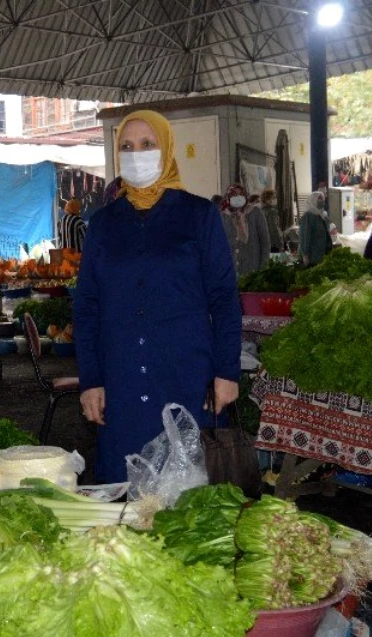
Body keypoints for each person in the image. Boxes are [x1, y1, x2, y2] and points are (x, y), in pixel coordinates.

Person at [74, 110, 241, 484]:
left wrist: (226, 371)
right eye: (127, 146)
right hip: (122, 383)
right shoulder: (103, 223)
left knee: (191, 496)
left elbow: (224, 300)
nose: (137, 154)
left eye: (148, 145)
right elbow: (86, 308)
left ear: (166, 149)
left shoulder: (200, 216)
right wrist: (90, 380)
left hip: (187, 377)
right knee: (124, 490)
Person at [221, 183, 271, 276]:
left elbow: (265, 242)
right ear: (228, 197)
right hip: (229, 270)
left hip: (252, 269)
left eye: (241, 195)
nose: (238, 198)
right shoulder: (223, 215)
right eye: (234, 195)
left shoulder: (255, 212)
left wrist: (263, 267)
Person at [298, 191, 330, 268]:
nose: (322, 201)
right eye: (319, 199)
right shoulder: (308, 216)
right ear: (313, 200)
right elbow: (305, 235)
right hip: (311, 255)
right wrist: (305, 254)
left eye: (322, 199)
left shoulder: (322, 215)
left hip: (322, 254)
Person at [261, 188, 284, 253]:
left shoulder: (262, 210)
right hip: (274, 244)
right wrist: (280, 244)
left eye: (275, 197)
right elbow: (274, 229)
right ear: (266, 199)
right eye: (273, 198)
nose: (275, 199)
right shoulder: (271, 212)